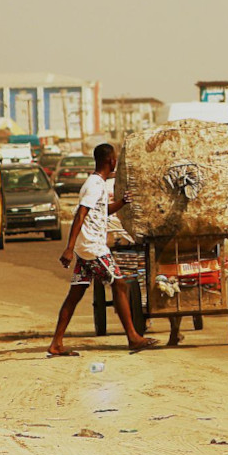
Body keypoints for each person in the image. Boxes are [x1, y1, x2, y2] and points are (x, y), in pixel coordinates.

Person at [48, 143, 157, 356]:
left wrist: (122, 203)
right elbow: (80, 215)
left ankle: (56, 343)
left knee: (75, 294)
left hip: (86, 249)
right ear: (111, 161)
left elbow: (102, 212)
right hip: (93, 248)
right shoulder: (95, 185)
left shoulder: (97, 184)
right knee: (120, 284)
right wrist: (68, 248)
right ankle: (133, 337)